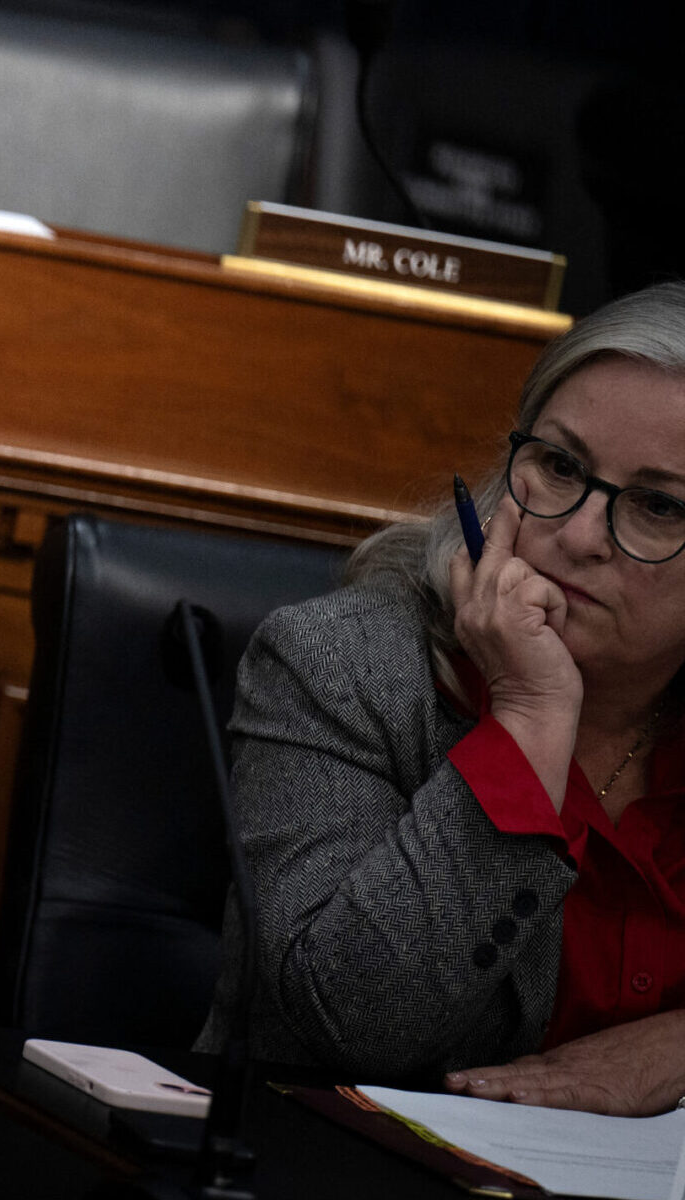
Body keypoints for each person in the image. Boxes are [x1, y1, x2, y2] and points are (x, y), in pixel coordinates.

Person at [197, 282, 685, 1115]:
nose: (574, 536)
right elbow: (347, 1021)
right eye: (559, 465)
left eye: (655, 506)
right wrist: (530, 717)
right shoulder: (342, 667)